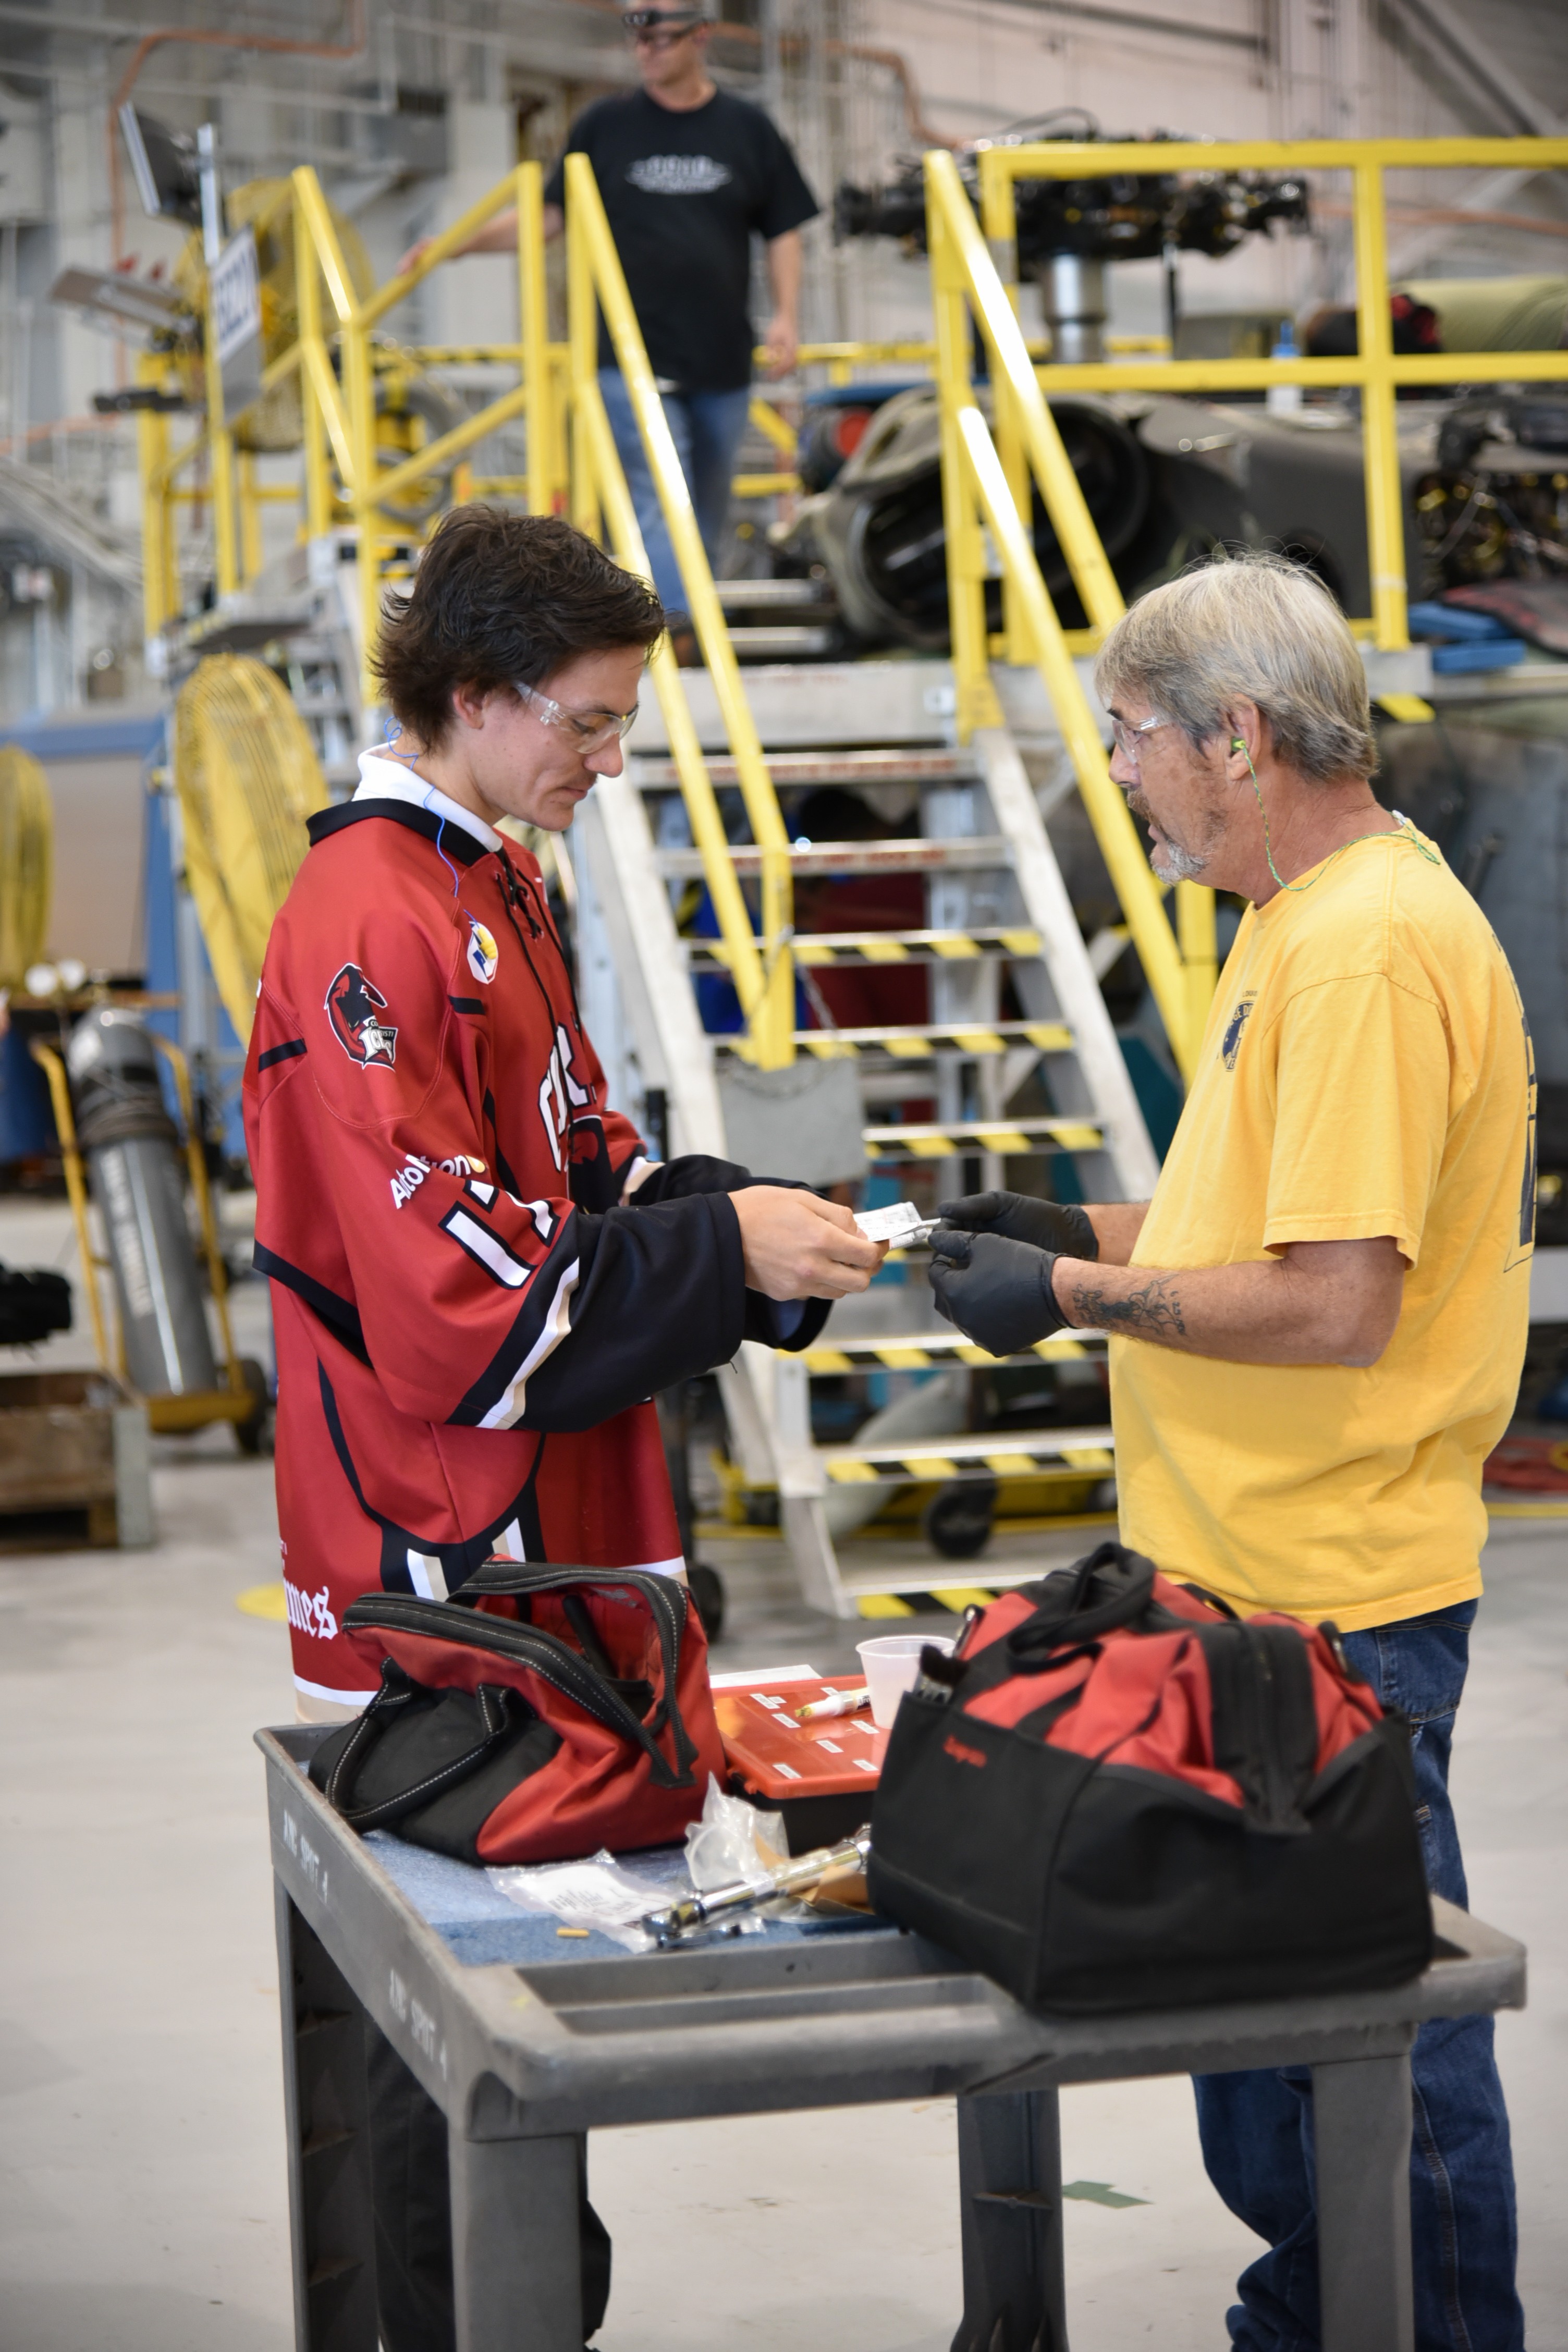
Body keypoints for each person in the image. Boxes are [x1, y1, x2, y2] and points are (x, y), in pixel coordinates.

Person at [243, 504, 881, 2349]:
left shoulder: (493, 874)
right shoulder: (367, 913)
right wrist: (709, 1255)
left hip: (545, 1555)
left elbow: (575, 1152)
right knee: (444, 2058)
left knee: (522, 2055)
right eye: (588, 725)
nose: (609, 764)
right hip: (444, 1564)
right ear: (475, 697)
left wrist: (746, 1224)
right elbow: (463, 1309)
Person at [926, 552, 1530, 2352]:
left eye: (1125, 737)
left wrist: (1074, 1297)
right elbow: (1250, 1214)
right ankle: (1315, 2313)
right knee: (1268, 2043)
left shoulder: (1357, 952)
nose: (1117, 772)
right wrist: (1073, 1226)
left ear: (1233, 736)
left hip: (1323, 1601)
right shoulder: (1292, 923)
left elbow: (1333, 1302)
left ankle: (1410, 2330)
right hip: (1243, 1577)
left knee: (1373, 2054)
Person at [398, 3, 817, 627]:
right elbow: (547, 216)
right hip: (627, 356)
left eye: (661, 39)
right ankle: (673, 629)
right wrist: (457, 243)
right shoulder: (606, 127)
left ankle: (685, 623)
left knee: (703, 510)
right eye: (637, 38)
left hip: (720, 359)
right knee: (661, 495)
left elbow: (783, 228)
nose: (646, 50)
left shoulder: (747, 129)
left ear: (700, 37)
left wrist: (786, 315)